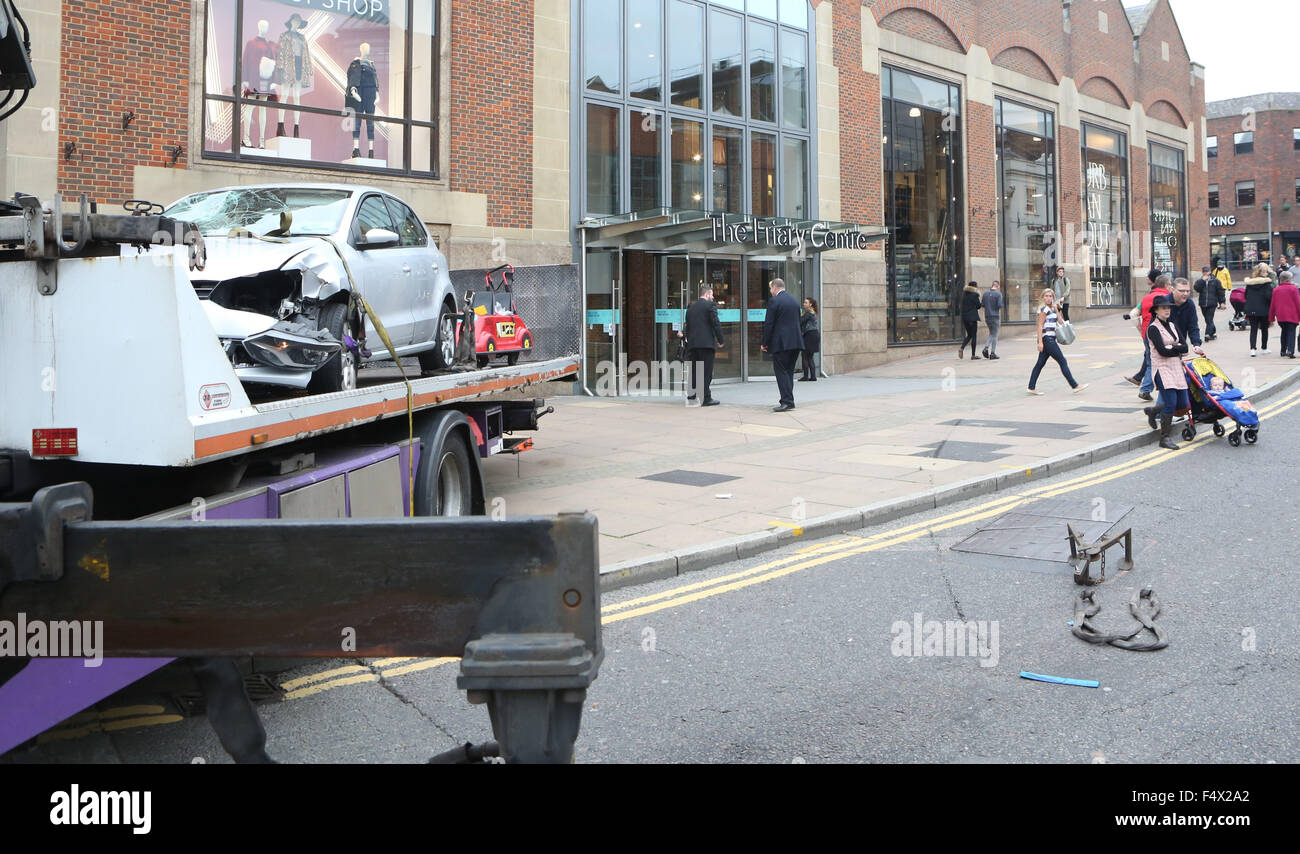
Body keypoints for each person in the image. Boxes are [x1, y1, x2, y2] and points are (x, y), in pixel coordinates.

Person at [1145, 294, 1190, 450]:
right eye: (1163, 308)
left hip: (1176, 366)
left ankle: (1153, 411)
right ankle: (1164, 437)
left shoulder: (1172, 325)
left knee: (1182, 403)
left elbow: (1185, 347)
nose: (1167, 310)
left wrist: (1174, 348)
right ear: (1156, 310)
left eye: (1168, 307)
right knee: (1170, 402)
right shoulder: (1153, 328)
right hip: (1161, 368)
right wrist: (1176, 348)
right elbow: (1162, 351)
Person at [1027, 289, 1088, 395]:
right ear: (1043, 297)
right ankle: (1074, 385)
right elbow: (1040, 326)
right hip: (1048, 340)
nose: (1048, 298)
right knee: (1062, 361)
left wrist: (1056, 309)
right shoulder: (1044, 310)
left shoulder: (1052, 308)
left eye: (1050, 296)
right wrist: (1040, 342)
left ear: (1053, 297)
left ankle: (1031, 387)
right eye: (1046, 296)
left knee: (1040, 363)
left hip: (1051, 339)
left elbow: (1061, 322)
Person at [1126, 272, 1171, 400]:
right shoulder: (1167, 297)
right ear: (1166, 285)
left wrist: (1141, 330)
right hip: (1162, 333)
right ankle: (1146, 389)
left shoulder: (1146, 297)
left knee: (1150, 360)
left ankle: (1145, 388)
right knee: (1156, 362)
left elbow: (1134, 314)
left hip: (1147, 331)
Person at [761, 278, 803, 412]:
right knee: (788, 371)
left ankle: (787, 401)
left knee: (781, 372)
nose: (770, 291)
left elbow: (769, 324)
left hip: (781, 343)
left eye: (770, 289)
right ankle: (788, 399)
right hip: (795, 342)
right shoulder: (794, 301)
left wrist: (765, 343)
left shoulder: (774, 301)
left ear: (774, 287)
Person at [682, 285, 724, 406]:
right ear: (706, 294)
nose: (713, 297)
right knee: (706, 372)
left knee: (694, 370)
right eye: (711, 294)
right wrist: (720, 340)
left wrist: (689, 342)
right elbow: (716, 323)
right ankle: (706, 398)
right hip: (706, 344)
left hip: (693, 344)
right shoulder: (710, 305)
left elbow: (688, 328)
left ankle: (691, 395)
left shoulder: (690, 308)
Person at [1243, 263, 1275, 356]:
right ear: (1263, 272)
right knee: (1264, 329)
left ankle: (1252, 349)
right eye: (1266, 271)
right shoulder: (1266, 283)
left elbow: (1245, 296)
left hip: (1251, 309)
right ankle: (1264, 348)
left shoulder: (1250, 283)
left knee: (1253, 329)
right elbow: (1269, 297)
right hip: (1264, 309)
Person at [1268, 271, 1300, 358]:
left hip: (1281, 316)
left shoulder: (1276, 290)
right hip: (1292, 315)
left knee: (1284, 331)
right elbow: (1298, 303)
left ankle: (1283, 350)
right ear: (1289, 279)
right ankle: (1290, 350)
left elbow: (1273, 304)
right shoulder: (1293, 289)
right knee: (1291, 332)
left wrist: (1271, 317)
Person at [1193, 265, 1225, 340]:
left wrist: (1222, 302)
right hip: (1203, 303)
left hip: (1212, 303)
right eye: (1204, 272)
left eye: (1207, 272)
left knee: (1209, 318)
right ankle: (1213, 332)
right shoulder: (1200, 281)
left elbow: (1220, 292)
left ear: (1210, 272)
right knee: (1207, 319)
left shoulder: (1215, 281)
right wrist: (1202, 281)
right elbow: (1196, 288)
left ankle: (1207, 334)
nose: (1206, 273)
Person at [958, 281, 982, 359]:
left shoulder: (964, 294)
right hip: (972, 318)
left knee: (969, 335)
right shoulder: (975, 295)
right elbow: (978, 306)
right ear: (975, 287)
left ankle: (962, 348)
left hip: (965, 318)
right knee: (974, 336)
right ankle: (973, 355)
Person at [799, 297, 820, 381]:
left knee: (804, 355)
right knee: (810, 356)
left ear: (810, 304)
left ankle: (805, 376)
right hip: (814, 334)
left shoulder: (808, 313)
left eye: (806, 302)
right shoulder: (813, 312)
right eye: (804, 302)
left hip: (809, 335)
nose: (804, 304)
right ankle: (813, 376)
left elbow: (800, 321)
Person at [981, 280, 1003, 360]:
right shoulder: (998, 294)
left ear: (992, 285)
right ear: (998, 286)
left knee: (991, 333)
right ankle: (992, 353)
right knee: (995, 334)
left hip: (987, 316)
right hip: (995, 316)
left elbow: (982, 304)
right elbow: (1000, 305)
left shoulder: (985, 294)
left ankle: (986, 348)